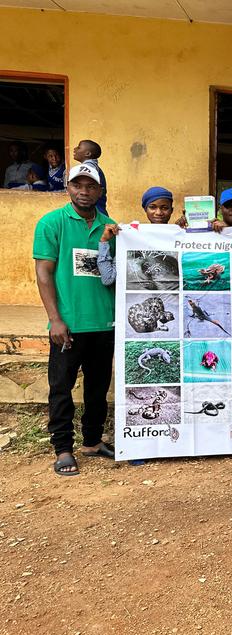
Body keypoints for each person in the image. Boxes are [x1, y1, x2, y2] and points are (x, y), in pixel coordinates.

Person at [32, 163, 115, 476]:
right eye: (77, 185)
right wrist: (55, 319)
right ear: (67, 188)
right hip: (68, 325)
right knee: (61, 388)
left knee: (97, 389)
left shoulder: (110, 226)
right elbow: (44, 273)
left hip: (103, 323)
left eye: (90, 186)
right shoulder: (52, 223)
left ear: (100, 191)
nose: (84, 191)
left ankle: (92, 442)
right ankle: (63, 449)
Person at [97, 186, 175, 286]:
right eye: (153, 207)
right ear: (145, 209)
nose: (159, 212)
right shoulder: (132, 237)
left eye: (164, 208)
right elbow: (108, 279)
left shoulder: (181, 235)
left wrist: (189, 231)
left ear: (171, 210)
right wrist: (104, 241)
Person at [73, 140, 108, 214]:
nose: (75, 149)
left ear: (88, 153)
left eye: (79, 147)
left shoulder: (88, 167)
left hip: (94, 213)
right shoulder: (93, 167)